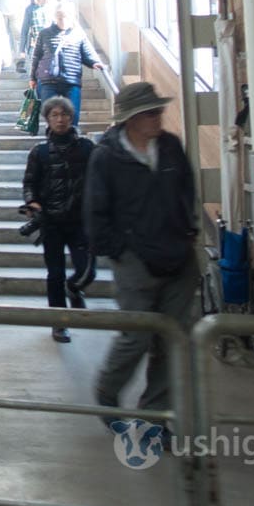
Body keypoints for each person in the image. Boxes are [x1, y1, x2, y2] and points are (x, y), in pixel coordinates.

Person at [87, 82, 198, 424]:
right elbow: (94, 211)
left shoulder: (171, 147)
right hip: (135, 261)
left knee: (172, 341)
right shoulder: (107, 156)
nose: (158, 118)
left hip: (178, 257)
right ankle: (108, 391)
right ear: (131, 119)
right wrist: (119, 251)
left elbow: (186, 191)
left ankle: (154, 417)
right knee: (135, 337)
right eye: (150, 113)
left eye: (159, 111)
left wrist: (187, 233)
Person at [22, 97, 96, 342]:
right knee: (55, 274)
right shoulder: (39, 152)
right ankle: (58, 322)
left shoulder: (87, 148)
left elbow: (100, 179)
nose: (60, 119)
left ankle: (75, 288)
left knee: (87, 269)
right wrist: (32, 202)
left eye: (64, 114)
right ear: (48, 119)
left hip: (80, 221)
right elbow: (30, 183)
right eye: (55, 115)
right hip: (51, 222)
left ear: (71, 117)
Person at [30, 2, 105, 121]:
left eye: (65, 15)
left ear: (71, 16)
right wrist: (33, 78)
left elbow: (87, 54)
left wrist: (94, 62)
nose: (62, 19)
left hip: (71, 81)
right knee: (51, 117)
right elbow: (37, 57)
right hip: (48, 81)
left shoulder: (79, 34)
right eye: (59, 16)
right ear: (55, 16)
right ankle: (53, 138)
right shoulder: (44, 33)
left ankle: (72, 138)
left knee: (72, 116)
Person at [18, 0, 49, 73]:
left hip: (49, 44)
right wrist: (22, 49)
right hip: (34, 44)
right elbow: (25, 29)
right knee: (35, 72)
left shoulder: (49, 8)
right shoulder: (30, 9)